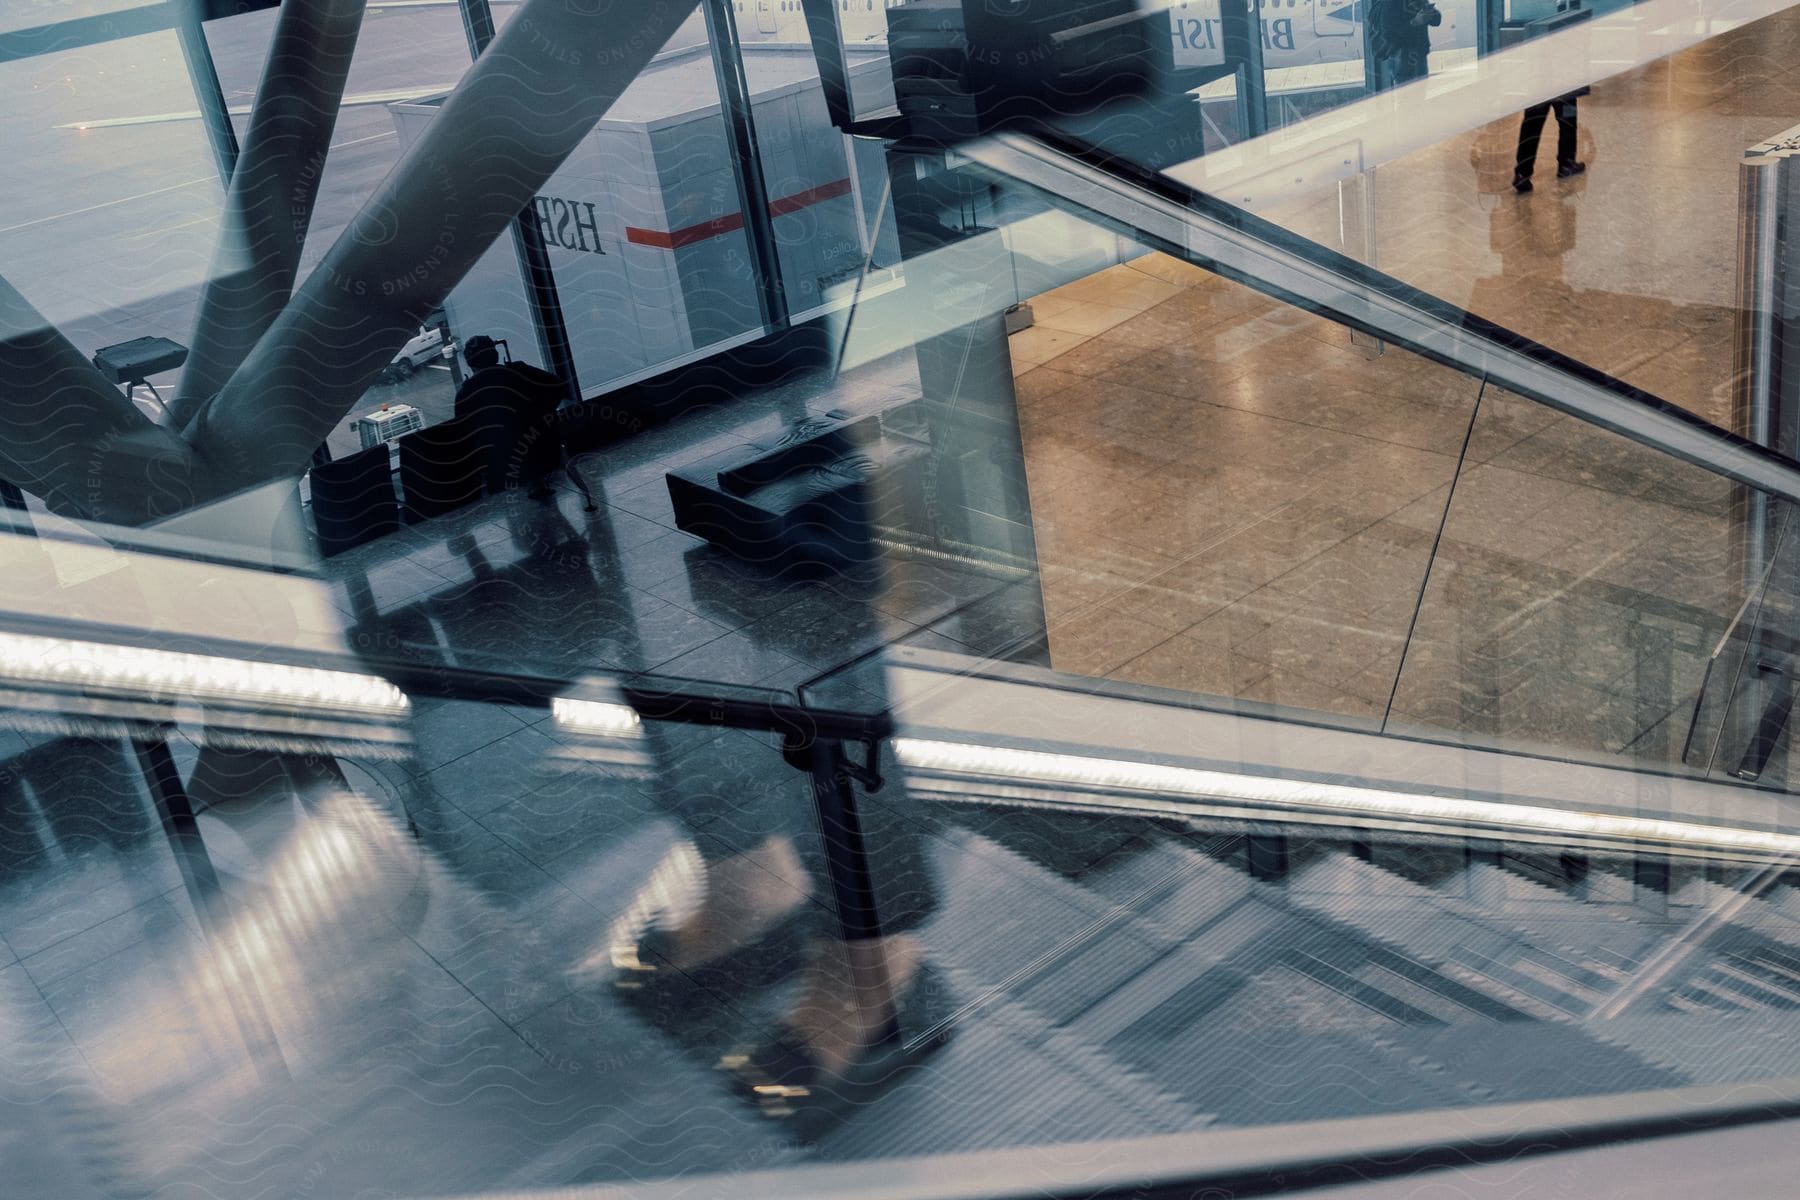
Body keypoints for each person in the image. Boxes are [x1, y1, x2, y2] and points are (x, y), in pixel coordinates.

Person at [452, 334, 563, 500]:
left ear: (470, 363)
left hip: (500, 463)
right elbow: (557, 385)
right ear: (494, 354)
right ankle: (536, 481)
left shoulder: (466, 392)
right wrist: (544, 413)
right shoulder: (518, 372)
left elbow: (462, 432)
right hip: (542, 449)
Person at [1513, 89, 1588, 193]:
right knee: (1568, 122)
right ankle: (1567, 163)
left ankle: (1522, 174)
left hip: (1538, 87)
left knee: (1532, 125)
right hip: (1565, 87)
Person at [1369, 0, 1441, 92]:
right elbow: (1389, 34)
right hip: (1402, 57)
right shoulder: (1391, 3)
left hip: (1419, 55)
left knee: (1417, 99)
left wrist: (1431, 14)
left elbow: (1437, 21)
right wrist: (1414, 22)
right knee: (1406, 100)